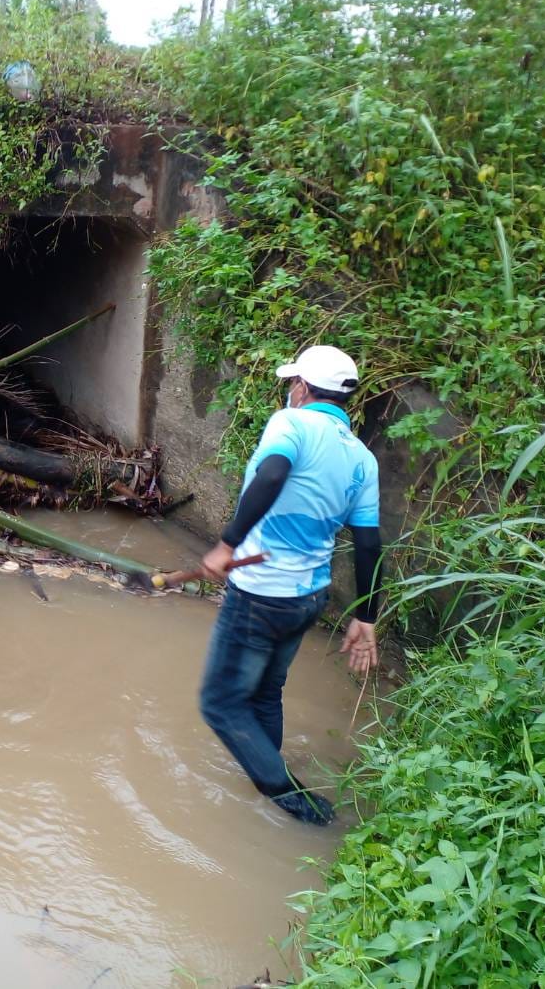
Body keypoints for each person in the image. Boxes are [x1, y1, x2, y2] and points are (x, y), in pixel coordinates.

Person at [197, 344, 382, 825]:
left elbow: (274, 471)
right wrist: (367, 618)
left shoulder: (291, 423)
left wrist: (227, 544)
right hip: (307, 598)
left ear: (301, 387)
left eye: (291, 384)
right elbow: (367, 545)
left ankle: (293, 802)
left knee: (220, 703)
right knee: (264, 692)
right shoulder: (362, 458)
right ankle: (264, 774)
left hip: (261, 592)